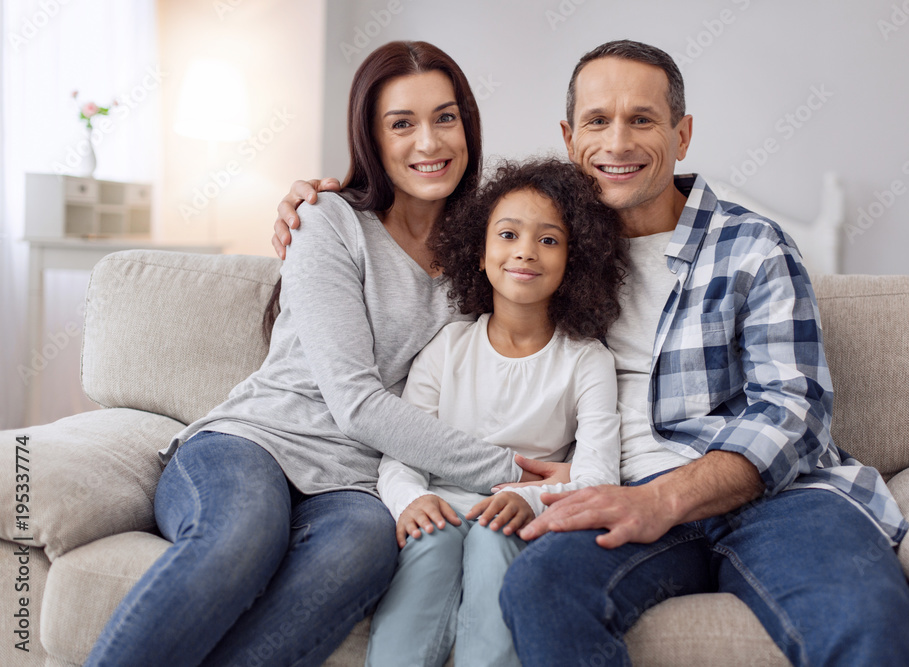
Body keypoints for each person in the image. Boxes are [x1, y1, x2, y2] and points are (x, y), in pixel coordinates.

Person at [273, 40, 909, 667]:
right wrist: (326, 199)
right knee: (540, 588)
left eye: (641, 119)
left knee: (867, 623)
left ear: (682, 134)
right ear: (569, 137)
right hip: (616, 498)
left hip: (775, 496)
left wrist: (663, 498)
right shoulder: (549, 250)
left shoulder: (752, 246)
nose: (616, 143)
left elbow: (794, 411)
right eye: (598, 121)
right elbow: (437, 238)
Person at [85, 41, 563, 667]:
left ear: (468, 126)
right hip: (252, 442)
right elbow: (356, 403)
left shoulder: (490, 248)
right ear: (371, 137)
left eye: (446, 118)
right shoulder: (328, 220)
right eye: (402, 124)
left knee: (365, 550)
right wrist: (508, 467)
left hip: (359, 484)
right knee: (243, 536)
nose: (429, 142)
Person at [366, 158, 625, 667]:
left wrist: (532, 499)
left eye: (549, 240)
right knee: (430, 543)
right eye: (508, 234)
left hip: (519, 518)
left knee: (492, 536)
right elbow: (402, 452)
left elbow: (598, 477)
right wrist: (409, 503)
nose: (526, 251)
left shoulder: (588, 361)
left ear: (573, 261)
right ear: (480, 255)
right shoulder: (447, 346)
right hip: (438, 507)